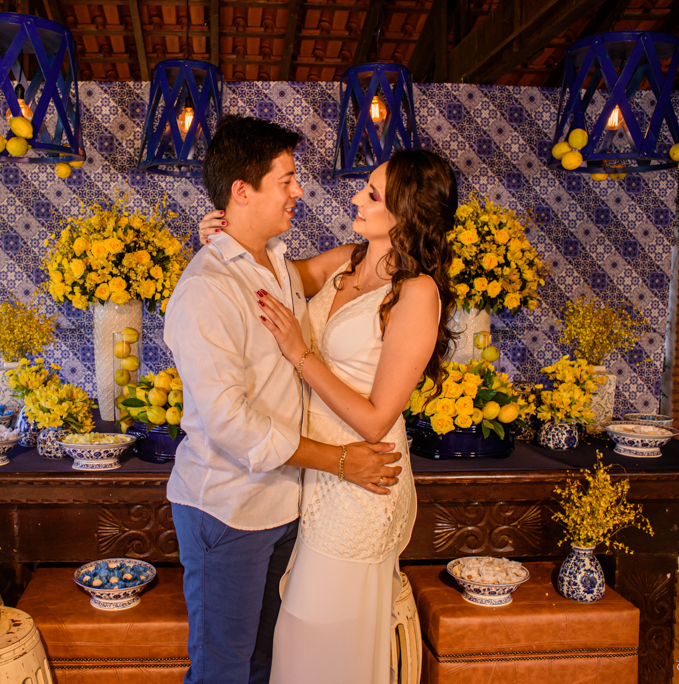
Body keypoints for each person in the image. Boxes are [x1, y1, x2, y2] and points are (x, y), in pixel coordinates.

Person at [198, 148, 458, 682]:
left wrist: (301, 355)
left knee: (324, 633)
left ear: (406, 212)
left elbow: (376, 419)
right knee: (294, 631)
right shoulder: (345, 260)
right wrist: (228, 238)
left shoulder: (418, 292)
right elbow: (267, 277)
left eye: (373, 194)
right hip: (313, 468)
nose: (357, 198)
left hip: (361, 476)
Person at [163, 115, 404, 684]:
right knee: (223, 671)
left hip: (287, 504)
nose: (299, 191)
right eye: (287, 180)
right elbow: (232, 425)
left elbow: (369, 262)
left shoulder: (277, 265)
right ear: (242, 191)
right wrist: (340, 461)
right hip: (229, 508)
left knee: (265, 666)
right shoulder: (206, 289)